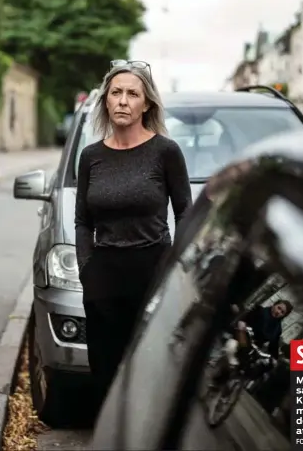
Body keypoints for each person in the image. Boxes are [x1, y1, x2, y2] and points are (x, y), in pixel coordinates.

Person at [75, 60, 192, 413]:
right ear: (106, 101)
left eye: (132, 94)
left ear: (146, 104)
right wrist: (87, 270)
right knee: (107, 380)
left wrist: (175, 270)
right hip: (103, 280)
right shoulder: (91, 156)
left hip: (152, 274)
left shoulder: (165, 152)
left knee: (151, 377)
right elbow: (82, 221)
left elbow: (185, 213)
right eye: (116, 93)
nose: (123, 101)